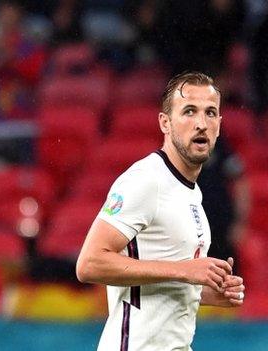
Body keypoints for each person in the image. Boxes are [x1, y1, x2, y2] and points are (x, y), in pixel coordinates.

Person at [76, 72, 245, 350]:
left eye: (210, 113)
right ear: (165, 122)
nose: (201, 123)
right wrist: (185, 272)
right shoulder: (145, 180)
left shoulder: (191, 192)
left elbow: (158, 279)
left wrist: (202, 292)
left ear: (219, 124)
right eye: (189, 111)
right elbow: (89, 263)